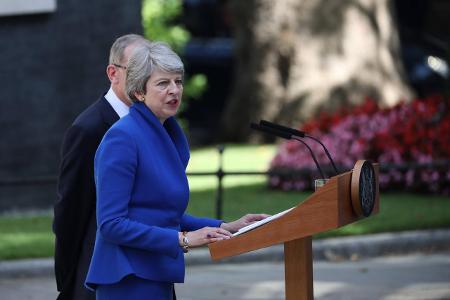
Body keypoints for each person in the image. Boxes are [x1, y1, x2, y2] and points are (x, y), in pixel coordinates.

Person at [84, 41, 268, 300]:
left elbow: (163, 214)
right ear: (139, 92)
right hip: (128, 278)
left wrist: (228, 226)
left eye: (178, 82)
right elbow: (111, 224)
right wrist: (183, 239)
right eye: (163, 83)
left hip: (155, 272)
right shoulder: (122, 138)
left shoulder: (166, 133)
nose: (174, 90)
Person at [53, 34, 151, 300]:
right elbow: (70, 210)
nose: (145, 77)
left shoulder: (151, 124)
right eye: (137, 69)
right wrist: (69, 278)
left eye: (149, 70)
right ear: (113, 73)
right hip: (100, 274)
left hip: (149, 268)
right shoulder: (88, 128)